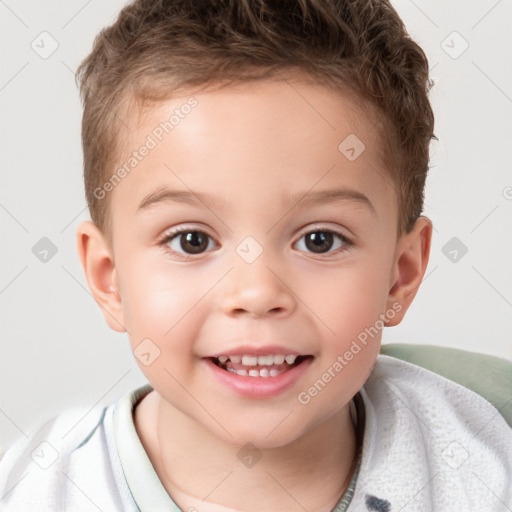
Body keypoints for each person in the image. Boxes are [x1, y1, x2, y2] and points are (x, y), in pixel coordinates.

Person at [1, 1, 511, 510]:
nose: (257, 293)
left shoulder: (484, 468)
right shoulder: (38, 490)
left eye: (320, 240)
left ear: (400, 277)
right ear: (108, 279)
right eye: (191, 240)